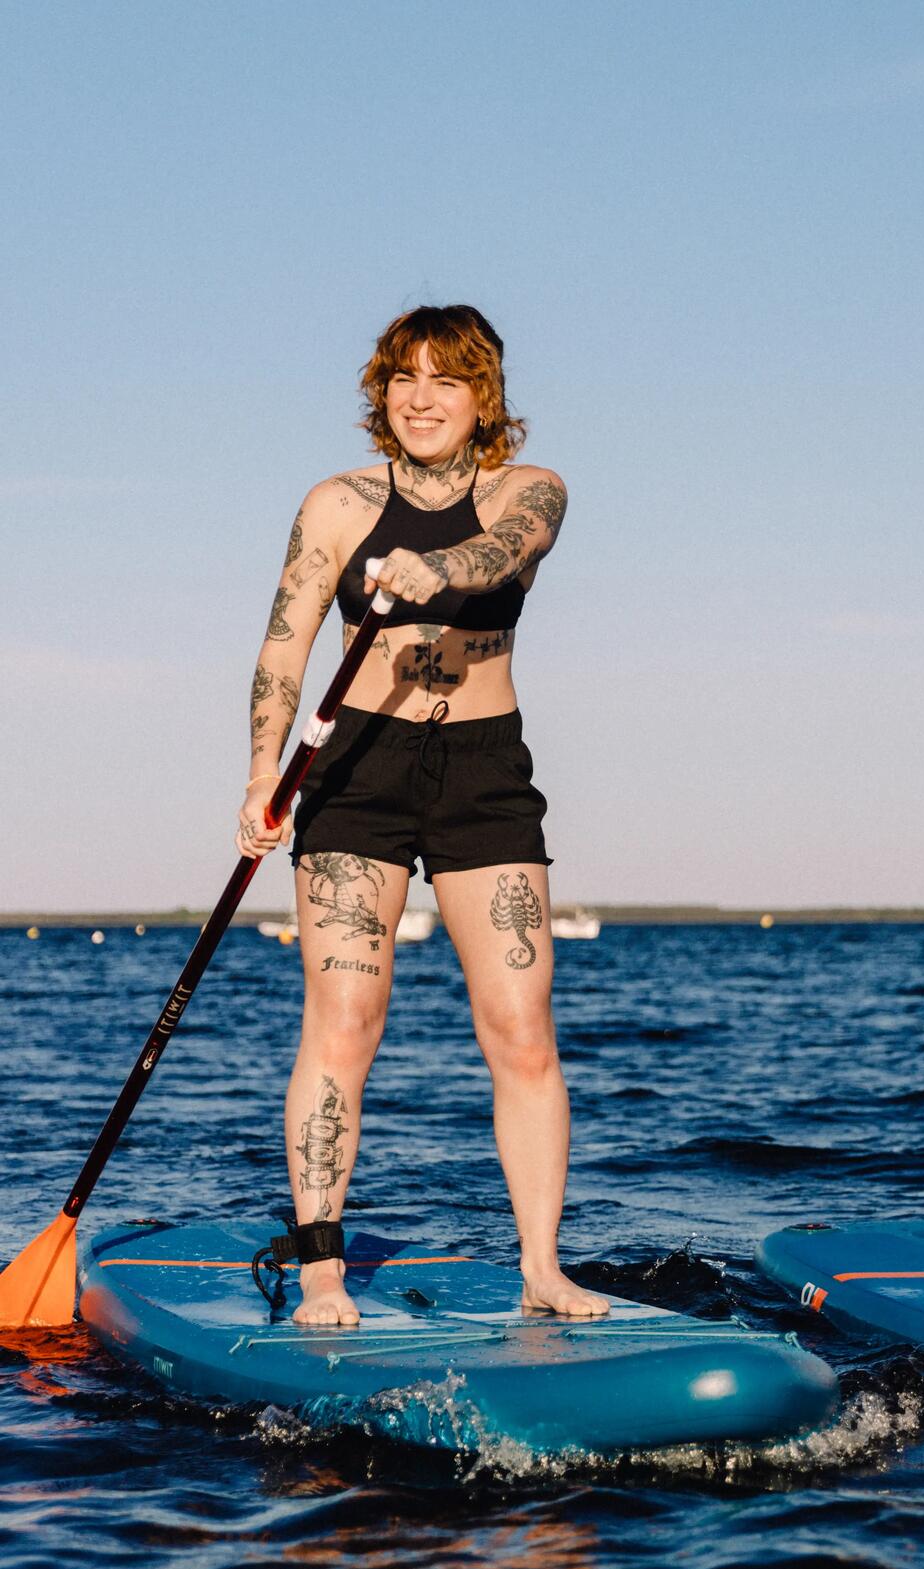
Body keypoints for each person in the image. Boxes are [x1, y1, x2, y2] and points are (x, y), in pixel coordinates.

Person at [237, 303, 606, 1327]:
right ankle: (320, 1267)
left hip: (484, 769)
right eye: (404, 378)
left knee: (521, 1028)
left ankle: (542, 1267)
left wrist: (434, 572)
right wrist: (265, 772)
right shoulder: (337, 505)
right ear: (382, 393)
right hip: (357, 763)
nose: (421, 398)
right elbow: (284, 645)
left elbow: (503, 555)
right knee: (345, 1020)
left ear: (483, 396)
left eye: (446, 379)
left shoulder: (529, 490)